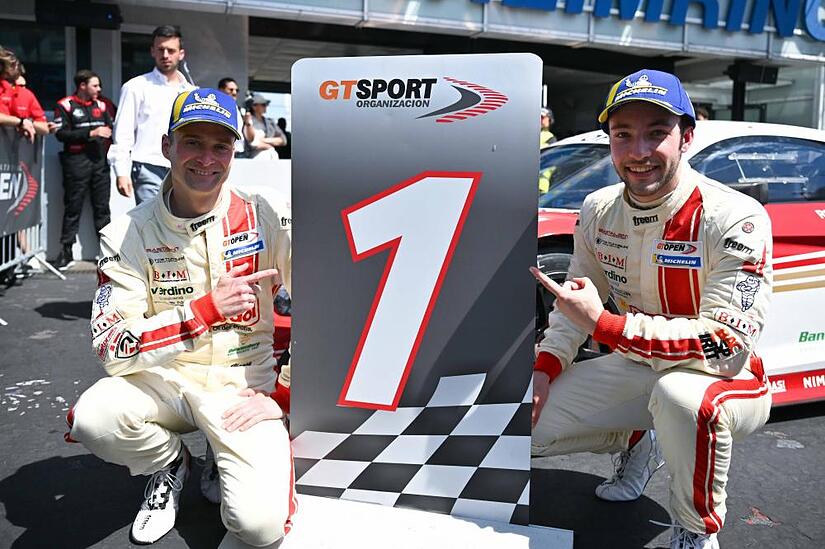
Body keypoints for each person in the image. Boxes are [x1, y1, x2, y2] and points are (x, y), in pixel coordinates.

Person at [530, 69, 772, 549]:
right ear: (610, 142)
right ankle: (640, 440)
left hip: (724, 378)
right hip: (638, 365)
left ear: (686, 138)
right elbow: (572, 308)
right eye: (624, 135)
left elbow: (725, 346)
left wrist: (604, 323)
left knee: (682, 398)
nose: (639, 152)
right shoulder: (598, 210)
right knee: (517, 424)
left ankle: (695, 528)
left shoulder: (735, 216)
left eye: (656, 133)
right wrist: (544, 368)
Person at [67, 88, 295, 547]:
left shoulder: (267, 213)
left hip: (243, 386)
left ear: (235, 151)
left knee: (258, 527)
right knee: (93, 418)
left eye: (220, 146)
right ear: (168, 146)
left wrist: (287, 395)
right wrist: (203, 312)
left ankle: (219, 450)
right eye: (193, 142)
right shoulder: (125, 232)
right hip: (166, 380)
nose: (206, 159)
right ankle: (169, 464)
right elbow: (112, 346)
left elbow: (328, 307)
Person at [108, 25, 194, 205]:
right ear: (152, 51)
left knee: (180, 226)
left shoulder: (191, 92)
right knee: (152, 226)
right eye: (160, 50)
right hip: (146, 167)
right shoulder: (135, 87)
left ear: (181, 53)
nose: (165, 55)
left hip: (183, 167)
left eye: (171, 50)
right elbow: (122, 134)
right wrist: (121, 171)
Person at [51, 69, 114, 270]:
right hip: (75, 161)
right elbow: (61, 134)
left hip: (99, 161)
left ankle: (106, 252)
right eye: (95, 85)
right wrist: (91, 132)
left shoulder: (102, 104)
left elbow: (113, 128)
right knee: (73, 207)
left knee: (103, 208)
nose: (99, 89)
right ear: (82, 86)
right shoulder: (65, 105)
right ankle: (66, 251)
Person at [0, 47, 49, 141]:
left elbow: (44, 128)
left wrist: (28, 122)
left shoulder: (26, 94)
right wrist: (20, 122)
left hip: (17, 153)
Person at [243, 93, 285, 159]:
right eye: (263, 105)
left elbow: (283, 140)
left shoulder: (270, 122)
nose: (266, 107)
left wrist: (263, 141)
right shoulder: (248, 121)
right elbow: (251, 141)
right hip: (256, 158)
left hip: (272, 156)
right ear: (254, 106)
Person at [217, 77, 246, 157]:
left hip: (239, 152)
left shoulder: (238, 109)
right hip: (224, 152)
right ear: (220, 90)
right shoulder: (217, 108)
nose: (234, 92)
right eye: (231, 89)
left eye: (237, 90)